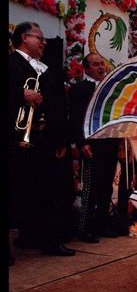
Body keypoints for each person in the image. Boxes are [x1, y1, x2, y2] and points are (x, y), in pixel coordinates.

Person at [8, 22, 75, 256]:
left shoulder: (46, 68)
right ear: (25, 38)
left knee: (48, 191)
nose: (44, 42)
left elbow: (58, 107)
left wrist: (61, 140)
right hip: (17, 139)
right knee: (18, 192)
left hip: (45, 138)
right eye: (40, 37)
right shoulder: (11, 63)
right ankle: (26, 237)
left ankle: (49, 240)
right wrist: (20, 93)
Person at [69, 53, 121, 243]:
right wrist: (82, 143)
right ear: (87, 69)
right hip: (92, 145)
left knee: (106, 187)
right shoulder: (80, 88)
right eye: (95, 64)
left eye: (102, 63)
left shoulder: (110, 89)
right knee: (91, 188)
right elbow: (76, 118)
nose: (100, 67)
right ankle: (85, 228)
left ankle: (102, 224)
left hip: (109, 143)